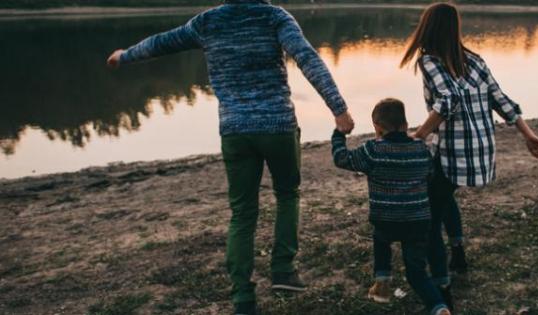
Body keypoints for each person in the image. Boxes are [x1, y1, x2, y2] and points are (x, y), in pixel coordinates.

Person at [106, 1, 355, 314]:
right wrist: (339, 108)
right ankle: (283, 271)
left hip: (235, 131)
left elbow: (161, 44)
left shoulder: (208, 22)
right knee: (288, 194)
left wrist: (124, 55)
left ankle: (242, 296)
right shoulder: (274, 17)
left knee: (242, 212)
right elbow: (307, 58)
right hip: (277, 126)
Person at [400, 1, 538, 299]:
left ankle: (442, 286)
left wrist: (419, 134)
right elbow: (502, 100)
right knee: (443, 193)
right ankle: (459, 253)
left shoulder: (429, 61)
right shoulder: (475, 60)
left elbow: (448, 99)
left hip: (453, 151)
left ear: (427, 27)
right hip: (480, 151)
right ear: (454, 28)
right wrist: (529, 135)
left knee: (429, 217)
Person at [331, 99, 452, 315]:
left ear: (377, 127)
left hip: (386, 219)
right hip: (418, 220)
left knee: (381, 238)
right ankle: (439, 308)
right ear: (405, 125)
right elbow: (430, 174)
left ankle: (382, 279)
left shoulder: (373, 150)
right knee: (417, 273)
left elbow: (341, 158)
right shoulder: (420, 149)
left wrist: (339, 134)